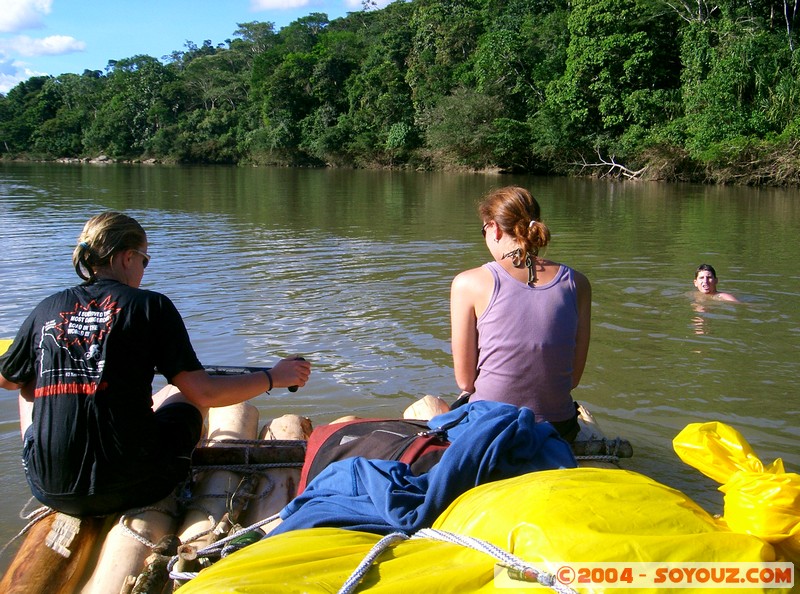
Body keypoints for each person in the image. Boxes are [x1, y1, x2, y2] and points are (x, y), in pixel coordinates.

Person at [0, 211, 311, 517]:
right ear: (126, 258)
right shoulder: (151, 306)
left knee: (23, 378)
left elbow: (6, 380)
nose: (144, 270)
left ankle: (44, 453)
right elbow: (205, 393)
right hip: (138, 485)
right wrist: (274, 376)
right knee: (187, 395)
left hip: (50, 489)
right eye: (144, 260)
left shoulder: (47, 308)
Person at [449, 186, 591, 442]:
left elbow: (466, 381)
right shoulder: (578, 283)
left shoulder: (468, 283)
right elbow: (573, 378)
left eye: (483, 231)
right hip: (559, 428)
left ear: (494, 228)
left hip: (492, 429)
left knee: (445, 406)